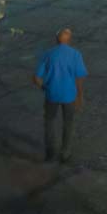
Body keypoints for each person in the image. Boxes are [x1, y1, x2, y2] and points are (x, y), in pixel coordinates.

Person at [33, 27, 87, 163]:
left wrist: (44, 87)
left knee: (49, 122)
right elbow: (79, 78)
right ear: (70, 40)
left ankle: (50, 152)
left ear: (56, 39)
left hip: (52, 94)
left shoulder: (48, 54)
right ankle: (65, 153)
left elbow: (36, 78)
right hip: (69, 95)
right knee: (68, 123)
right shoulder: (76, 55)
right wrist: (80, 96)